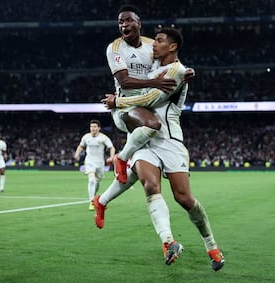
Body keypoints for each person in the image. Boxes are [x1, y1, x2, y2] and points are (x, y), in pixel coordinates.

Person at [96, 27, 225, 271]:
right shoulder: (153, 67)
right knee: (150, 186)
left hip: (170, 140)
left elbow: (150, 100)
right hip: (145, 138)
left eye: (159, 40)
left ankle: (211, 245)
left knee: (184, 199)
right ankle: (168, 241)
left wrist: (118, 101)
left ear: (173, 46)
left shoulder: (176, 71)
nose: (153, 44)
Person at [105, 4, 194, 184]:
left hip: (147, 105)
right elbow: (125, 81)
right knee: (153, 124)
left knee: (140, 174)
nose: (124, 25)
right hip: (127, 105)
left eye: (129, 20)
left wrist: (186, 70)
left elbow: (170, 57)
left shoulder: (150, 44)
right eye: (120, 22)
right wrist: (154, 82)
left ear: (139, 23)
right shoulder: (114, 48)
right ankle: (121, 158)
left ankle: (102, 201)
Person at [74, 120, 115, 211]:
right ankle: (92, 202)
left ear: (99, 128)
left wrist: (111, 157)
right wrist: (77, 154)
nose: (92, 128)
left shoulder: (103, 138)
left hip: (100, 163)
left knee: (97, 182)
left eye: (95, 127)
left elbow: (111, 147)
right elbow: (81, 146)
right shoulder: (86, 137)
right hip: (89, 162)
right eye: (91, 127)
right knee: (92, 180)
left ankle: (94, 196)